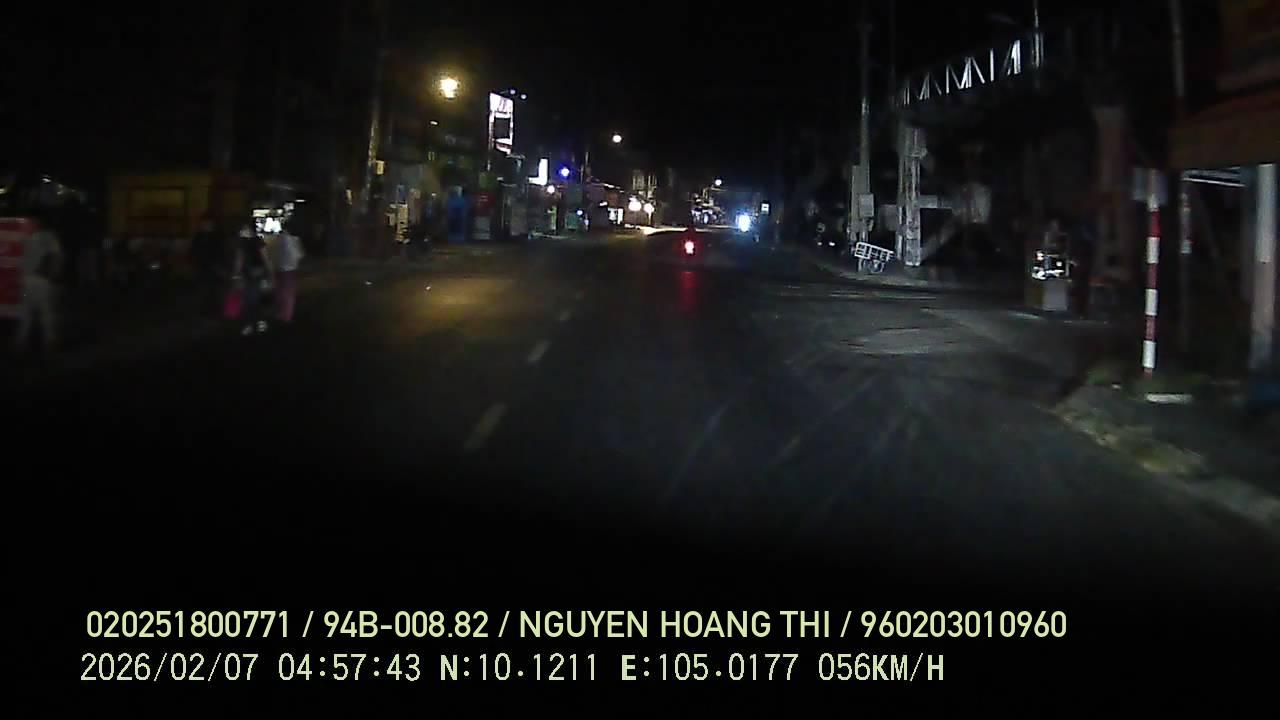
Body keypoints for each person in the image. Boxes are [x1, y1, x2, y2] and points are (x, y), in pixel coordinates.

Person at [13, 215, 64, 352]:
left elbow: (57, 256)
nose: (26, 226)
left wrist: (51, 273)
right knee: (30, 311)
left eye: (29, 224)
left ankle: (46, 340)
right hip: (30, 280)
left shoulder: (44, 237)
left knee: (42, 310)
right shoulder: (28, 238)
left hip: (39, 280)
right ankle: (26, 340)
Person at [231, 223, 275, 336]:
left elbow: (239, 260)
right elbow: (266, 258)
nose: (241, 232)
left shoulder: (242, 243)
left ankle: (251, 324)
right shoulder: (256, 241)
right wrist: (269, 273)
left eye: (243, 230)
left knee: (249, 300)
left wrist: (236, 274)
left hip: (250, 274)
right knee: (254, 299)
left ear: (248, 230)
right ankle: (258, 322)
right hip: (256, 273)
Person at [272, 219, 305, 324]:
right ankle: (286, 316)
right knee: (289, 294)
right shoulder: (294, 240)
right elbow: (299, 255)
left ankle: (279, 314)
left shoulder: (276, 240)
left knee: (279, 292)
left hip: (278, 269)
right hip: (290, 270)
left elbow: (271, 255)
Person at [191, 213, 224, 314]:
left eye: (207, 223)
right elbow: (193, 251)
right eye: (204, 223)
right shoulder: (200, 236)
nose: (205, 225)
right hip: (203, 266)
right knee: (204, 289)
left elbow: (220, 252)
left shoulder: (216, 237)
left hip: (212, 267)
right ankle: (205, 310)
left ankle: (211, 310)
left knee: (212, 290)